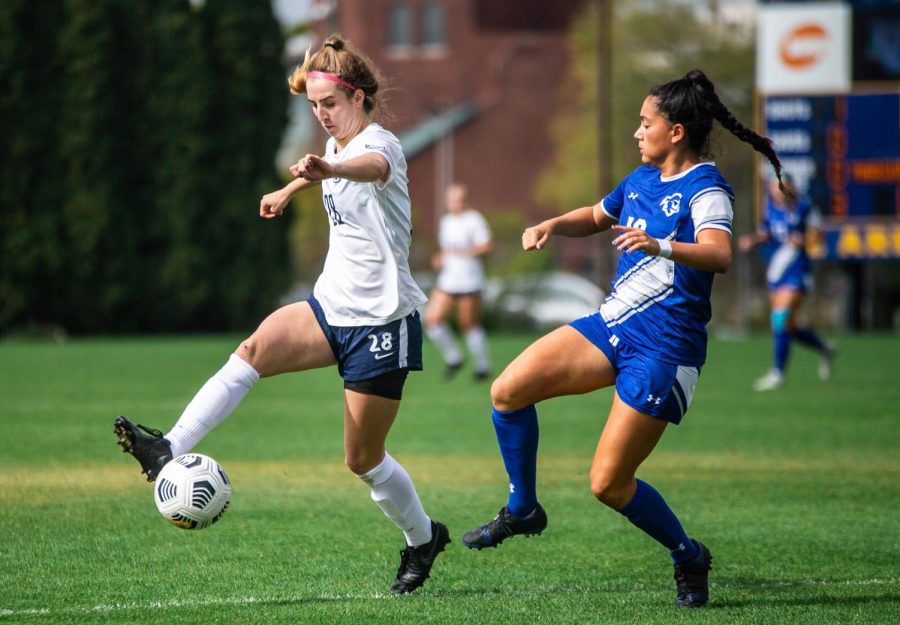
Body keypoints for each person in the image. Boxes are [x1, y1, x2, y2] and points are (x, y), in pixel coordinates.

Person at [113, 35, 449, 595]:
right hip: (329, 307)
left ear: (360, 98)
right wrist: (292, 186)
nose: (322, 115)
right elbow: (332, 165)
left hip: (381, 326)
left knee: (363, 460)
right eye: (314, 107)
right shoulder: (333, 146)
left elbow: (364, 168)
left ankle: (422, 538)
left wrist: (318, 170)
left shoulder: (382, 146)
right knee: (251, 352)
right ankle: (170, 447)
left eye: (331, 105)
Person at [460, 69, 792, 608]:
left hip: (666, 352)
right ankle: (523, 509)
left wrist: (661, 246)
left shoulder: (707, 190)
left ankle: (688, 554)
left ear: (676, 132)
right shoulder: (639, 181)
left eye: (645, 123)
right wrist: (550, 224)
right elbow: (596, 215)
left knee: (609, 485)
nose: (637, 133)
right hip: (611, 327)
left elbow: (720, 254)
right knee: (507, 391)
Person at [739, 175, 835, 391]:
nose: (777, 191)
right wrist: (752, 241)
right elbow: (768, 233)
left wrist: (805, 241)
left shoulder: (805, 207)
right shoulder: (769, 207)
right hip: (778, 270)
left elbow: (819, 235)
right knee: (787, 326)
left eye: (782, 187)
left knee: (780, 318)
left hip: (798, 269)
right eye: (774, 187)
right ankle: (824, 348)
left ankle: (778, 373)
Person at [425, 183, 493, 381]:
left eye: (460, 199)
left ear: (466, 200)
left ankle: (483, 366)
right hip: (448, 279)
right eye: (453, 199)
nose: (456, 203)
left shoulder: (474, 220)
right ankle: (454, 358)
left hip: (469, 279)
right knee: (432, 320)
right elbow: (446, 248)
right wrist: (440, 257)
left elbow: (486, 245)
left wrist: (464, 252)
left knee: (468, 325)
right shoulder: (446, 221)